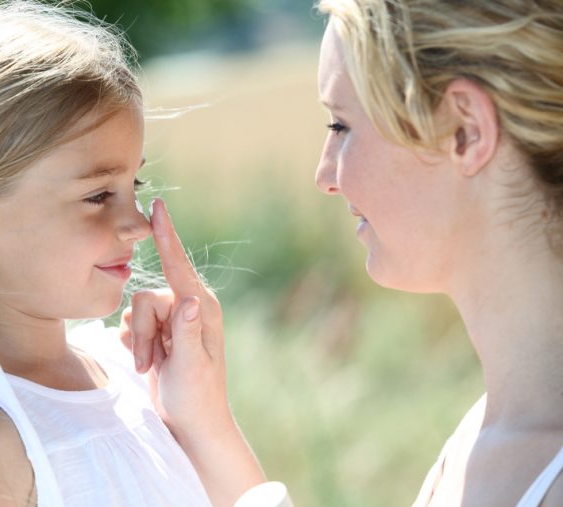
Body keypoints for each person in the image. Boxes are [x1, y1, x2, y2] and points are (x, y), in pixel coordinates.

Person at [121, 1, 563, 505]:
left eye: (340, 126)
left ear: (466, 131)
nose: (324, 175)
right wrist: (205, 426)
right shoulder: (485, 433)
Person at [0, 2, 263, 506]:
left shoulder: (129, 380)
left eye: (133, 184)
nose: (139, 224)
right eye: (98, 196)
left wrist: (205, 421)